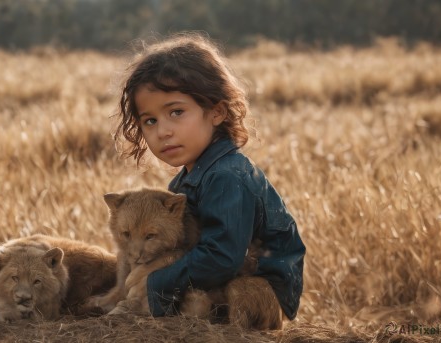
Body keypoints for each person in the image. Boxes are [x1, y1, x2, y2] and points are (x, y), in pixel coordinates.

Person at [112, 33, 306, 322]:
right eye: (150, 120)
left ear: (216, 112)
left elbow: (223, 257)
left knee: (236, 294)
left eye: (176, 112)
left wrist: (158, 283)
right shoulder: (182, 185)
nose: (163, 131)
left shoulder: (229, 177)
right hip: (218, 281)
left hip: (258, 287)